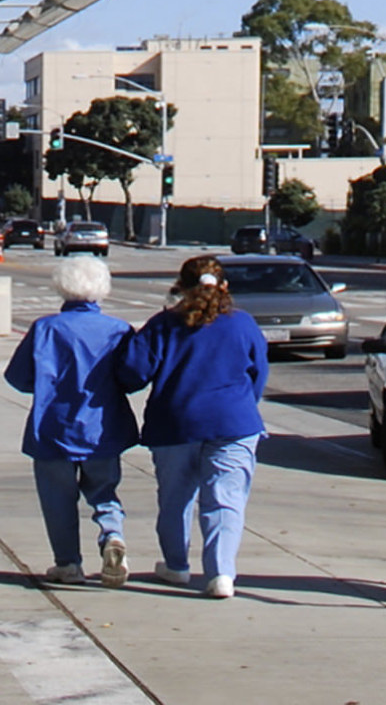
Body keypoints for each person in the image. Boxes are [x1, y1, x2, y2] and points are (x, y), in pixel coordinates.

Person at [122, 252, 269, 598]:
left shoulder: (162, 325)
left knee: (175, 499)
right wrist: (244, 404)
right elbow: (258, 374)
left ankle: (176, 565)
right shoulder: (243, 324)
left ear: (180, 287)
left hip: (175, 424)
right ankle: (221, 574)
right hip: (234, 423)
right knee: (225, 499)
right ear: (225, 286)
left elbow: (133, 373)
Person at [4, 252, 134, 586]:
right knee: (105, 491)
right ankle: (112, 534)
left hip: (53, 428)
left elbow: (18, 377)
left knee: (57, 500)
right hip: (102, 429)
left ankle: (68, 564)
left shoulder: (45, 329)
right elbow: (133, 378)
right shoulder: (118, 331)